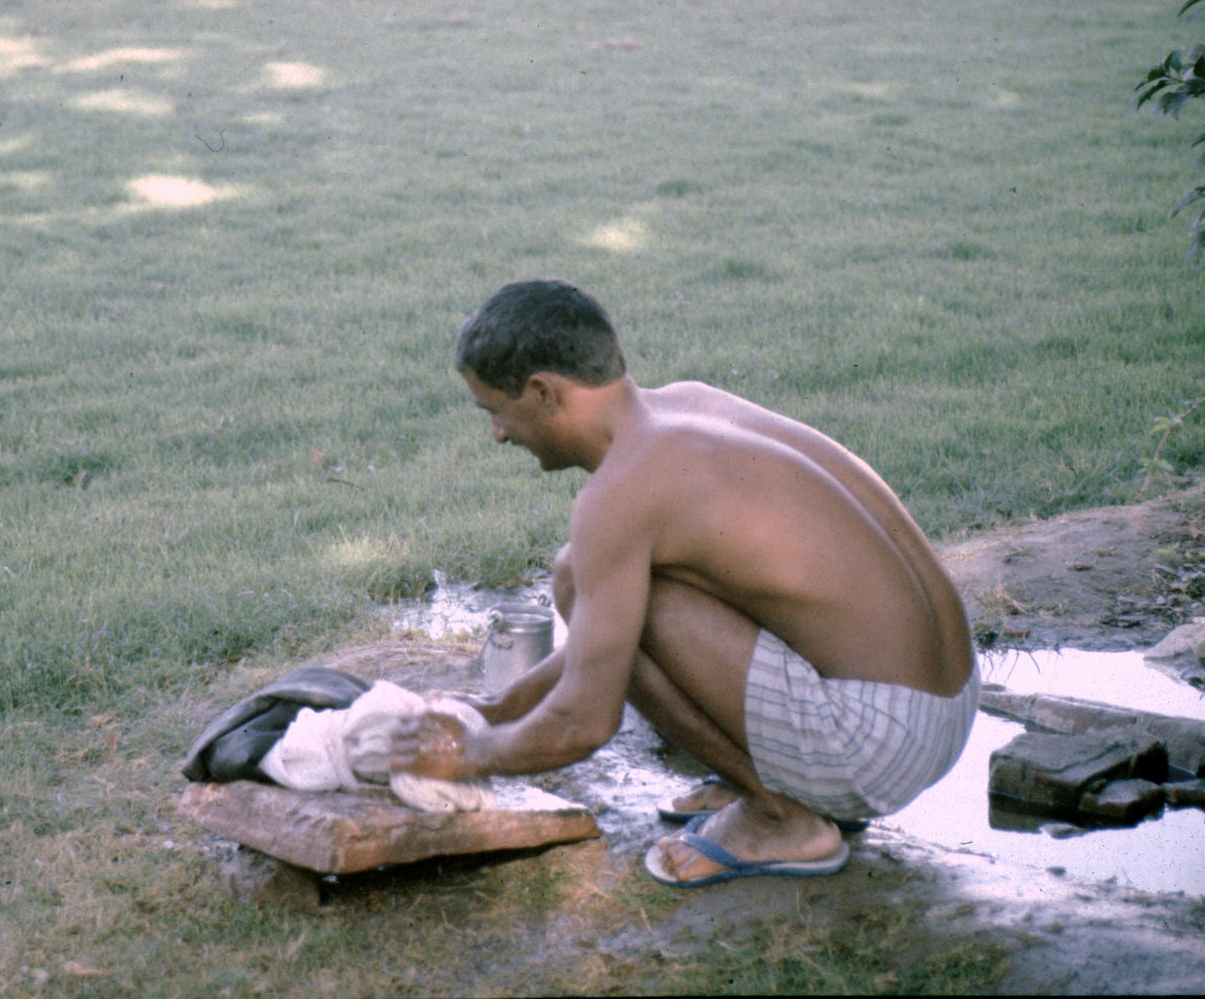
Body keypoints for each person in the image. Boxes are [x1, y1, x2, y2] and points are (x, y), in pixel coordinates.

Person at [390, 278, 977, 888]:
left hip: (879, 747)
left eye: (495, 412)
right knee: (584, 575)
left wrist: (466, 754)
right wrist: (492, 709)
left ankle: (781, 816)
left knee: (589, 582)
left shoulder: (620, 493)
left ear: (541, 392)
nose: (499, 435)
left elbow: (584, 721)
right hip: (947, 706)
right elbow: (604, 645)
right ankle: (776, 781)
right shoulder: (689, 406)